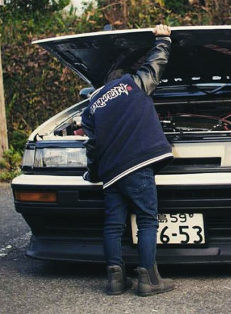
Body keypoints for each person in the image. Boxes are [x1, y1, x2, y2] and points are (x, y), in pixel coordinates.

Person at [81, 24, 175, 297]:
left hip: (111, 174)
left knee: (113, 224)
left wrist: (93, 173)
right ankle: (149, 280)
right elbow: (155, 66)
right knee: (146, 220)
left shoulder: (92, 107)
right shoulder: (132, 84)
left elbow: (92, 147)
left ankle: (115, 279)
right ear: (122, 77)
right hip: (136, 165)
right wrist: (163, 40)